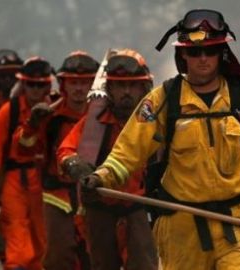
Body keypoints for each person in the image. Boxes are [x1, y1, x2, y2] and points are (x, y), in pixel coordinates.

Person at [82, 9, 240, 270]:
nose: (203, 59)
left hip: (235, 225)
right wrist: (102, 177)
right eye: (195, 52)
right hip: (181, 227)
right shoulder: (163, 100)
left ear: (221, 54)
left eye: (210, 51)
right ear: (183, 55)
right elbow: (127, 151)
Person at [58, 49, 158, 270]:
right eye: (120, 86)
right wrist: (75, 165)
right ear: (109, 89)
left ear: (144, 88)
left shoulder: (155, 122)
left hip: (140, 207)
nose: (126, 92)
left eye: (132, 86)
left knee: (143, 265)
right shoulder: (94, 122)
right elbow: (66, 150)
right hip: (100, 207)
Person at [0, 57, 52, 269]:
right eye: (31, 84)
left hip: (44, 183)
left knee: (43, 240)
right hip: (14, 181)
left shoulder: (55, 110)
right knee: (16, 234)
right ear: (23, 84)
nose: (35, 90)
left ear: (47, 85)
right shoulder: (8, 112)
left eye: (40, 85)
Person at [41, 51, 98, 270]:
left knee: (93, 254)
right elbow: (26, 148)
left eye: (85, 83)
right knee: (59, 255)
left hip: (92, 194)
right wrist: (32, 124)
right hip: (58, 195)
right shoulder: (50, 115)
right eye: (73, 82)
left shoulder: (102, 115)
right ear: (63, 84)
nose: (79, 89)